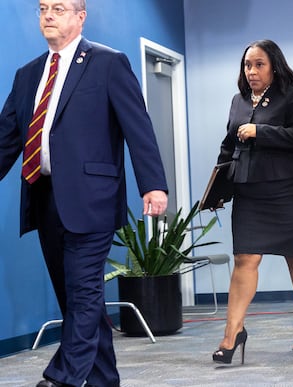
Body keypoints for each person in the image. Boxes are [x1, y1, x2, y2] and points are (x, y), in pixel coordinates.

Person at [0, 1, 169, 386]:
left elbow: (137, 127)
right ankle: (104, 379)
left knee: (84, 290)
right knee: (76, 298)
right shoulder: (27, 75)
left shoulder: (108, 63)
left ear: (80, 16)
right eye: (43, 8)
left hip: (93, 198)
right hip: (44, 199)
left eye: (58, 8)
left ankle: (63, 376)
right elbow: (6, 138)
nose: (48, 15)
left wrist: (153, 185)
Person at [212, 39, 293, 364]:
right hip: (249, 191)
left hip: (288, 189)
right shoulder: (238, 100)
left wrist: (262, 132)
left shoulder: (291, 96)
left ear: (273, 66)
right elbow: (229, 145)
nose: (252, 71)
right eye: (247, 65)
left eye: (259, 64)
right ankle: (232, 333)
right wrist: (217, 191)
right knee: (245, 258)